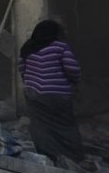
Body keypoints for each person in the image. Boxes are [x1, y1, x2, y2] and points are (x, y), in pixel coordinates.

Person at [18, 20, 88, 168]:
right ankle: (74, 158)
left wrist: (30, 81)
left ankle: (49, 156)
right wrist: (76, 81)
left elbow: (21, 67)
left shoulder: (27, 47)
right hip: (58, 94)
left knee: (40, 126)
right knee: (65, 125)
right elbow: (72, 68)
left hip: (34, 95)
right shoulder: (59, 47)